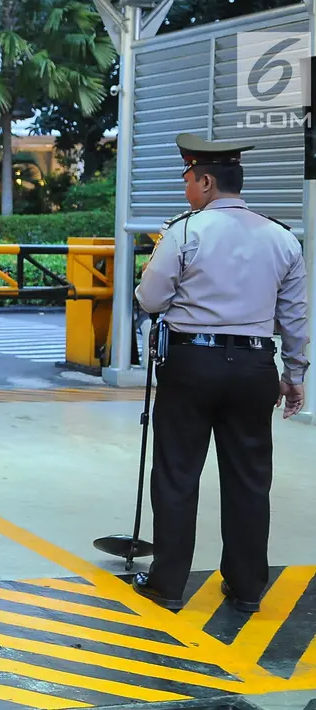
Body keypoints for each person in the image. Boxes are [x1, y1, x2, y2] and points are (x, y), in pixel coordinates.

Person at [130, 134, 308, 613]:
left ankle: (167, 583)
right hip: (254, 365)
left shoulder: (185, 233)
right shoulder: (282, 237)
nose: (187, 188)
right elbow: (294, 318)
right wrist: (293, 373)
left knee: (176, 473)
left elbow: (149, 299)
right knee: (250, 478)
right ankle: (247, 587)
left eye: (189, 179)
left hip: (191, 364)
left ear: (206, 182)